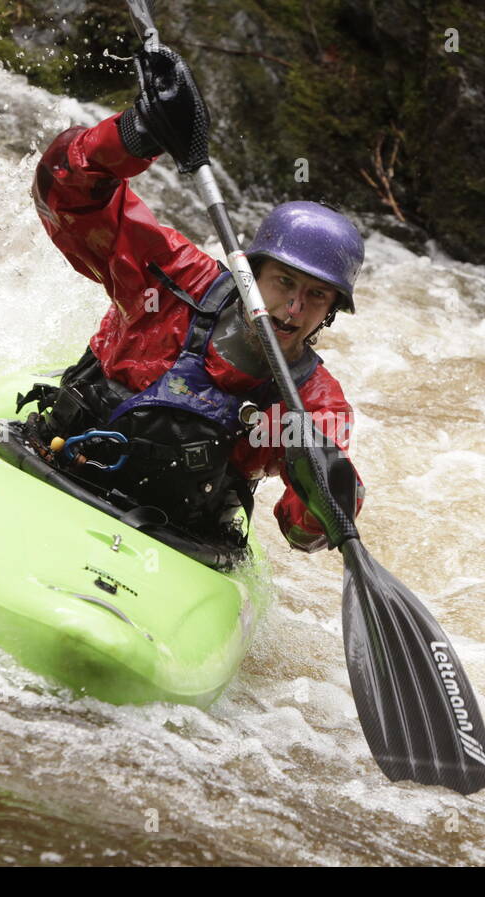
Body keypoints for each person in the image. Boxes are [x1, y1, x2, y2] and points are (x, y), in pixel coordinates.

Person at [25, 46, 364, 554]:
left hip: (180, 543)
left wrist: (331, 494)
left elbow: (300, 535)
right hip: (56, 469)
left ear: (331, 310)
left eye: (315, 296)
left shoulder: (314, 405)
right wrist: (133, 135)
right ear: (251, 270)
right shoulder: (172, 281)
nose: (293, 309)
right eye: (283, 284)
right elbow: (64, 191)